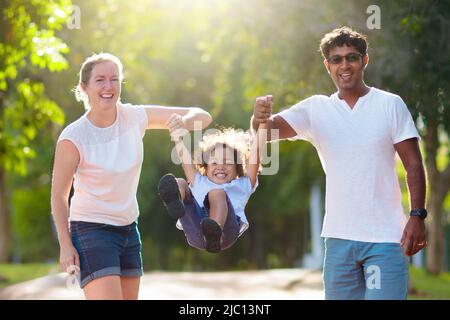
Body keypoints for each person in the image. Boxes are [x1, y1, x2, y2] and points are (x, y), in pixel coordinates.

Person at [252, 27, 427, 300]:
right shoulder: (315, 109)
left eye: (352, 57)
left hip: (385, 238)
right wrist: (260, 117)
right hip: (338, 239)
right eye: (336, 59)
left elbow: (413, 164)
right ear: (327, 65)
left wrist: (417, 215)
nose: (344, 65)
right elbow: (269, 130)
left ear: (364, 60)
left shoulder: (389, 104)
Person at [50, 52, 212, 300]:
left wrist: (183, 121)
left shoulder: (134, 117)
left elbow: (202, 115)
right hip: (91, 229)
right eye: (100, 80)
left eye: (114, 79)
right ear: (84, 87)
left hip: (128, 230)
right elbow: (59, 196)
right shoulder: (74, 137)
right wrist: (65, 244)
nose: (108, 86)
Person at [157, 98, 270, 253]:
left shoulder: (243, 184)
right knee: (181, 183)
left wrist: (264, 121)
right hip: (196, 227)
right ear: (205, 167)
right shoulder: (199, 180)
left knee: (217, 194)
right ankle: (176, 201)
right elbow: (185, 159)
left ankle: (214, 231)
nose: (220, 167)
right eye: (214, 163)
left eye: (228, 162)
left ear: (238, 169)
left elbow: (256, 152)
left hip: (225, 233)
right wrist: (177, 137)